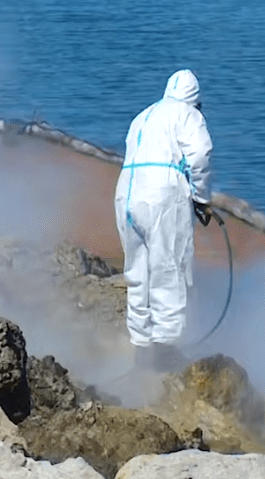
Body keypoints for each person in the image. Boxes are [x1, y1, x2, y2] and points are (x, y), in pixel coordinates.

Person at [113, 68, 213, 372]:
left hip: (126, 194)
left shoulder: (143, 116)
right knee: (169, 268)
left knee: (137, 272)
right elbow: (200, 155)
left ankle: (141, 348)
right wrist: (201, 198)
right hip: (162, 196)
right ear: (194, 99)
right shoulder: (188, 114)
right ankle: (165, 351)